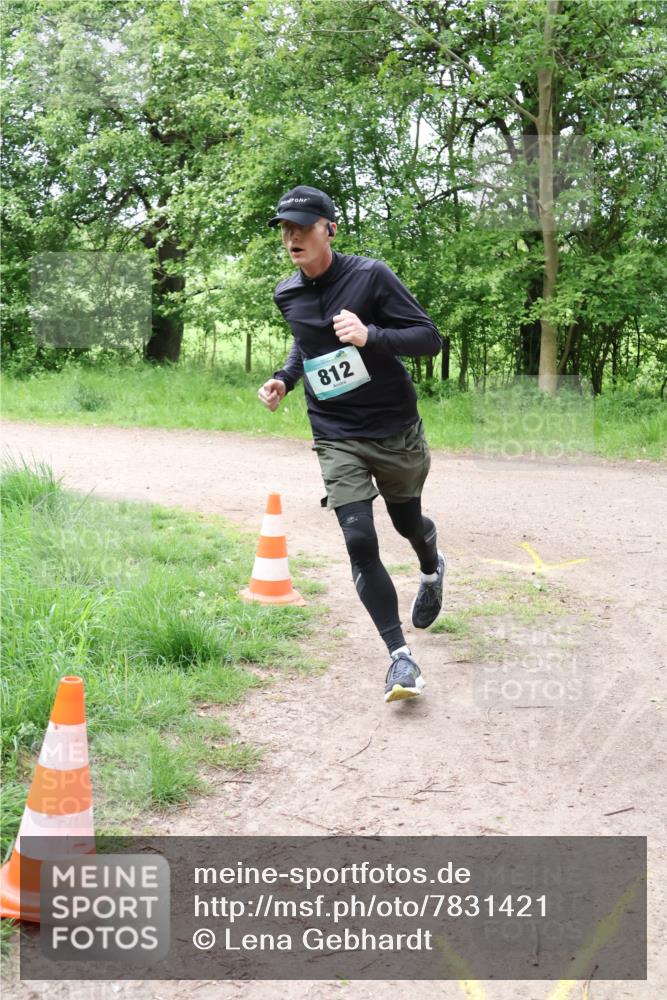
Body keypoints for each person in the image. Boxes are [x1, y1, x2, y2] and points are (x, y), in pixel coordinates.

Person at [258, 185, 446, 704]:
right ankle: (400, 658)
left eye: (302, 226)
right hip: (335, 433)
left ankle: (431, 569)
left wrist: (371, 336)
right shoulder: (287, 293)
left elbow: (429, 338)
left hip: (394, 428)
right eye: (284, 228)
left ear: (330, 229)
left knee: (408, 522)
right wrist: (284, 378)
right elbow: (306, 341)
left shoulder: (371, 276)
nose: (292, 236)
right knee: (359, 538)